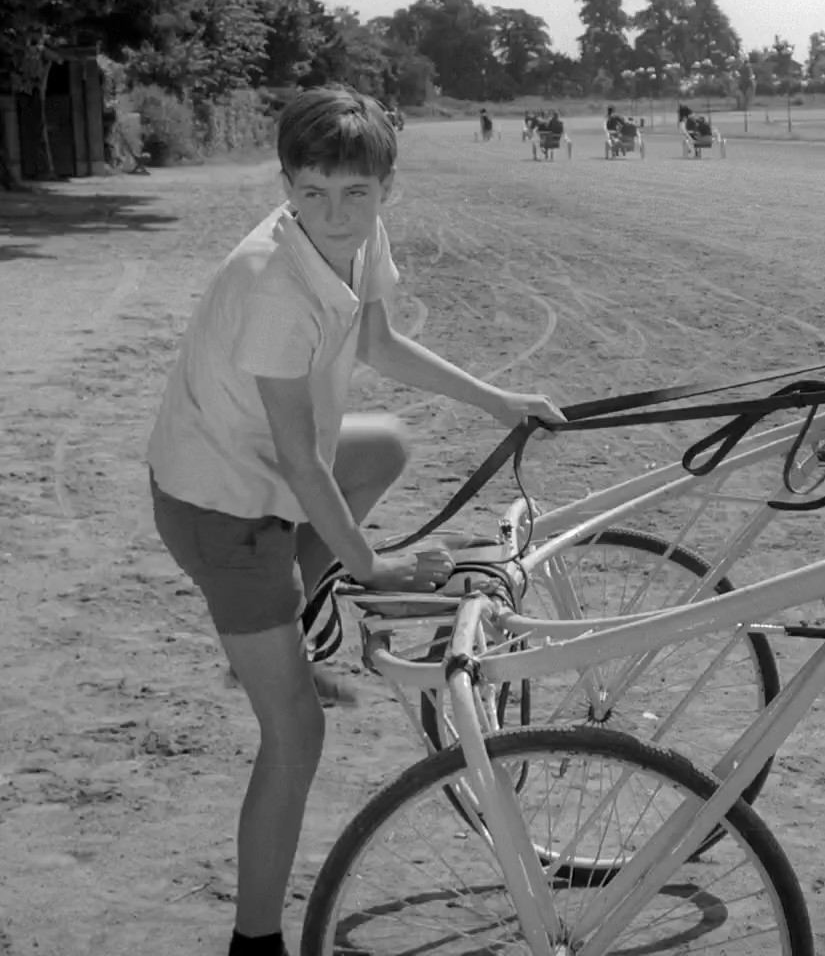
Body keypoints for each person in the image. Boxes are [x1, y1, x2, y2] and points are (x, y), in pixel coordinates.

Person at [145, 84, 565, 956]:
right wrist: (373, 567)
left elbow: (377, 346)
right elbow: (299, 463)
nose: (333, 212)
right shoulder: (272, 285)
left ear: (385, 189)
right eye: (312, 192)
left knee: (381, 447)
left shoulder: (356, 237)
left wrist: (500, 401)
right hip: (222, 509)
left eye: (355, 194)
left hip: (261, 476)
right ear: (288, 182)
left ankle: (296, 620)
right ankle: (253, 942)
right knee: (297, 732)